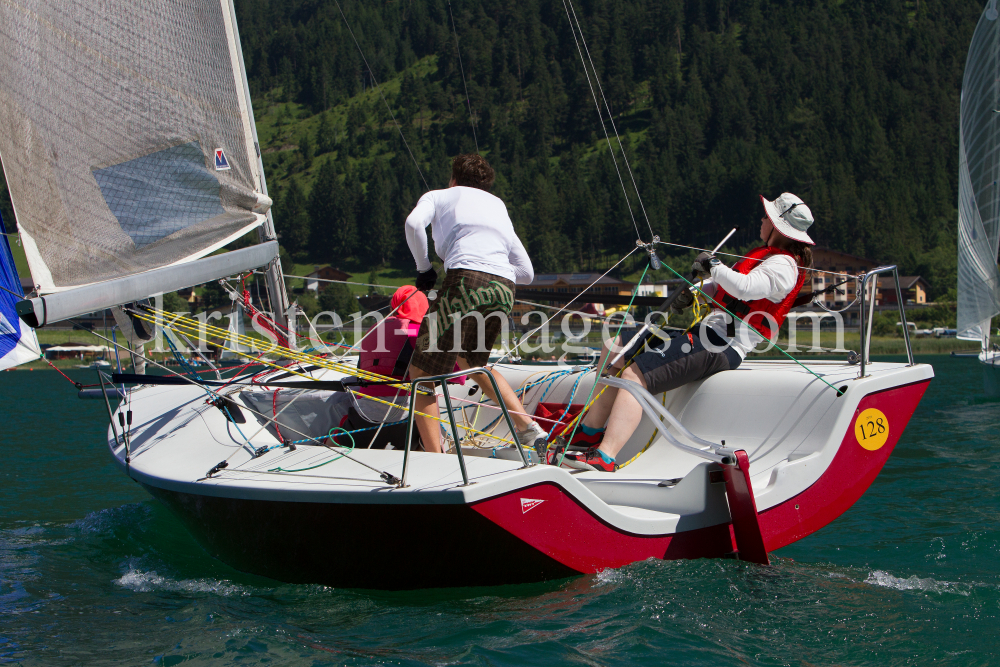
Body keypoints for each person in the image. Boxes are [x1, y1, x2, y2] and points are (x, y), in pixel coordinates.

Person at [550, 193, 815, 472]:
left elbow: (744, 288)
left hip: (721, 346)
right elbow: (725, 287)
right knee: (616, 345)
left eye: (766, 216)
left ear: (777, 226)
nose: (761, 220)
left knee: (634, 376)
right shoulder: (771, 260)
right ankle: (587, 434)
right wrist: (696, 291)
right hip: (706, 334)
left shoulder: (784, 265)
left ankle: (604, 456)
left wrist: (714, 265)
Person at [404, 154, 547, 453]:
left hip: (466, 281)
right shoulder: (498, 206)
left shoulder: (439, 196)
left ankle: (436, 458)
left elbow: (414, 223)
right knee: (474, 363)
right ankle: (528, 429)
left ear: (454, 179)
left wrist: (424, 269)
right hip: (504, 288)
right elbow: (527, 273)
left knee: (421, 374)